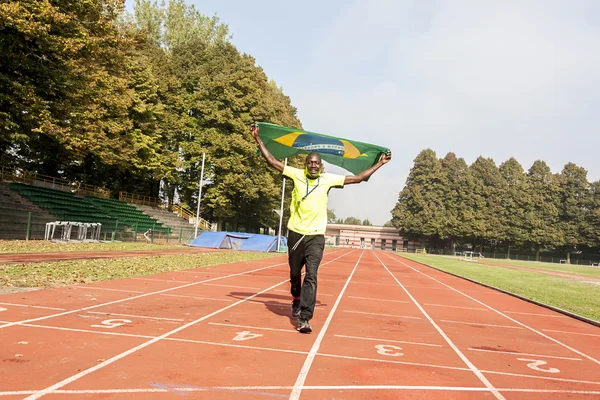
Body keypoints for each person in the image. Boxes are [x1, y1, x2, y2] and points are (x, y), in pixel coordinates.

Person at [250, 124, 391, 333]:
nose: (313, 165)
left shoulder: (328, 180)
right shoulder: (296, 175)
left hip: (316, 236)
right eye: (310, 162)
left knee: (312, 275)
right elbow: (272, 161)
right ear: (306, 164)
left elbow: (359, 178)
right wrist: (258, 139)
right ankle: (296, 298)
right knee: (295, 274)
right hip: (296, 233)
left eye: (317, 163)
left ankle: (305, 318)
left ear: (321, 166)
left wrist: (380, 163)